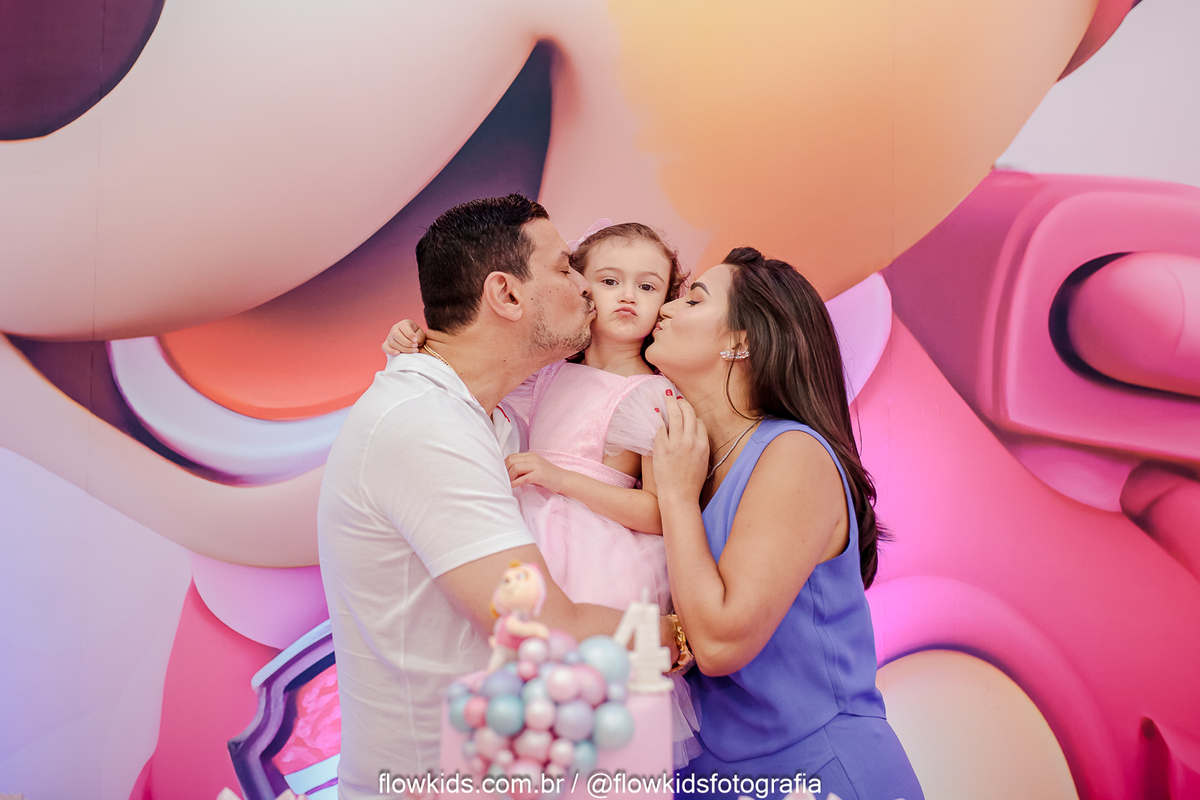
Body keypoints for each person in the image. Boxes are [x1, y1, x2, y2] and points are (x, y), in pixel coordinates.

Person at [316, 195, 677, 800]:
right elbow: (546, 626)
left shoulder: (491, 419)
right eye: (565, 269)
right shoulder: (425, 425)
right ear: (506, 295)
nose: (585, 288)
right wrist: (685, 637)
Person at [385, 220, 700, 764]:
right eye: (610, 280)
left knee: (587, 716)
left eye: (648, 286)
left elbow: (659, 511)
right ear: (580, 287)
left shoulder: (651, 394)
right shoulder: (548, 374)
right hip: (532, 535)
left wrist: (562, 480)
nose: (628, 295)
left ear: (664, 302)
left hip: (601, 561)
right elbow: (474, 394)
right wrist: (415, 345)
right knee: (521, 706)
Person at [648, 248, 924, 800]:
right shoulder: (692, 459)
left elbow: (719, 643)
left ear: (740, 341)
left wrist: (676, 496)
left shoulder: (794, 453)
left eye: (693, 300)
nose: (666, 308)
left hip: (819, 773)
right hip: (711, 778)